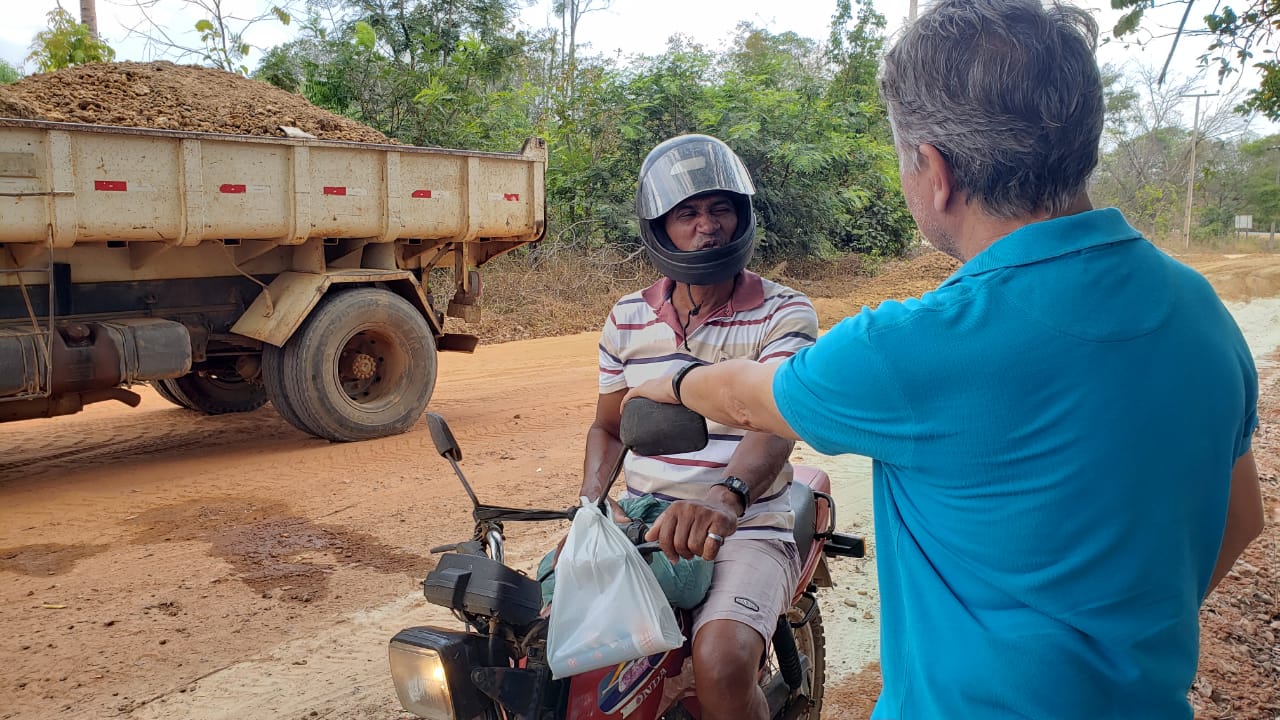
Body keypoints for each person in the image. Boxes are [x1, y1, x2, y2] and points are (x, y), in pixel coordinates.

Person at [626, 2, 1266, 719]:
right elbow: (1242, 519)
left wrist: (674, 378)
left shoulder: (914, 346)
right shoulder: (1201, 312)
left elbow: (750, 397)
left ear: (935, 171)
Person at [578, 134, 819, 720]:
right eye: (686, 213)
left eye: (719, 209)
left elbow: (776, 421)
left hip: (747, 521)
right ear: (660, 228)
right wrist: (590, 506)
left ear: (742, 217)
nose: (707, 227)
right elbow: (608, 427)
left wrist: (725, 496)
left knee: (722, 664)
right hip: (646, 520)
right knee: (552, 638)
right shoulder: (627, 316)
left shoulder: (784, 310)